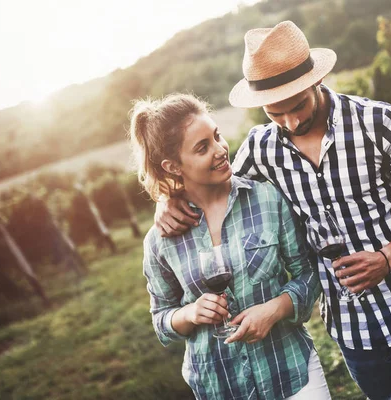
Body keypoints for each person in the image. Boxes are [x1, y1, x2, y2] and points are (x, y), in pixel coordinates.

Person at [155, 21, 391, 399]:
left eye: (298, 105)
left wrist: (386, 258)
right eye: (275, 113)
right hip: (354, 336)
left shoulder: (379, 124)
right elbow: (218, 188)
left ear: (315, 80)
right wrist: (169, 197)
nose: (290, 122)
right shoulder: (261, 147)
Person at [129, 93, 329, 400]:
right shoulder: (161, 240)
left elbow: (310, 273)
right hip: (219, 386)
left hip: (290, 372)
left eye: (217, 136)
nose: (221, 150)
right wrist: (190, 313)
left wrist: (275, 309)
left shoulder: (267, 198)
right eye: (202, 147)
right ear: (172, 166)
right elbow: (161, 319)